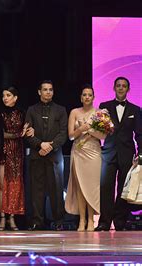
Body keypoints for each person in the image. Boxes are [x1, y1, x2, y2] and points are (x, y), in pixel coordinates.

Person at [96, 77, 142, 231]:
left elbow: (139, 134)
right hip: (108, 153)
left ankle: (120, 221)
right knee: (105, 187)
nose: (121, 88)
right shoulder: (104, 106)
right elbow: (99, 131)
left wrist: (140, 154)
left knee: (123, 188)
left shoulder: (135, 110)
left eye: (124, 86)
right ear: (114, 88)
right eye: (118, 86)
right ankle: (104, 222)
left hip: (127, 154)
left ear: (128, 89)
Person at [25, 80, 68, 231]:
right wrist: (39, 144)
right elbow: (27, 133)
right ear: (39, 92)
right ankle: (37, 221)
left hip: (54, 155)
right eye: (45, 89)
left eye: (50, 89)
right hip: (37, 154)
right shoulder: (31, 110)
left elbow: (64, 133)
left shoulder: (61, 110)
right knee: (36, 190)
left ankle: (58, 221)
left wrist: (50, 146)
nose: (48, 92)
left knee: (56, 189)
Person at [65, 86, 105, 231]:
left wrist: (90, 130)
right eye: (84, 95)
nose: (87, 97)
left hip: (94, 153)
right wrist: (80, 129)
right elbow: (70, 136)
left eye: (90, 95)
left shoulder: (99, 113)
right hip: (78, 152)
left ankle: (91, 220)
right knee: (80, 187)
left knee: (92, 187)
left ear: (94, 97)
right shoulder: (74, 112)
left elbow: (103, 136)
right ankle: (81, 220)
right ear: (81, 97)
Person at [0, 86, 30, 231]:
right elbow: (0, 134)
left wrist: (24, 133)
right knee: (2, 184)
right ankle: (2, 217)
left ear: (15, 98)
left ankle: (12, 217)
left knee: (15, 184)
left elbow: (26, 130)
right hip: (4, 150)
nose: (5, 98)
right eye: (4, 95)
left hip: (17, 152)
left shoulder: (22, 112)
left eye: (8, 95)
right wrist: (17, 134)